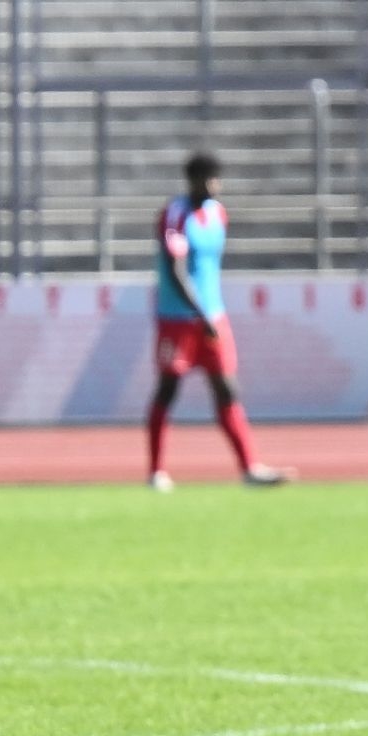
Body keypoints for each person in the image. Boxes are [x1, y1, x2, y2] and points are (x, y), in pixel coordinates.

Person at [145, 151, 291, 491]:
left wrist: (210, 313)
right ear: (193, 180)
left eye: (216, 179)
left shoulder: (218, 214)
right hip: (178, 318)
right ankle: (156, 471)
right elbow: (176, 270)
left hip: (213, 315)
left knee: (227, 388)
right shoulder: (175, 214)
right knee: (168, 389)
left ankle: (249, 468)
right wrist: (199, 312)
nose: (214, 185)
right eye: (208, 179)